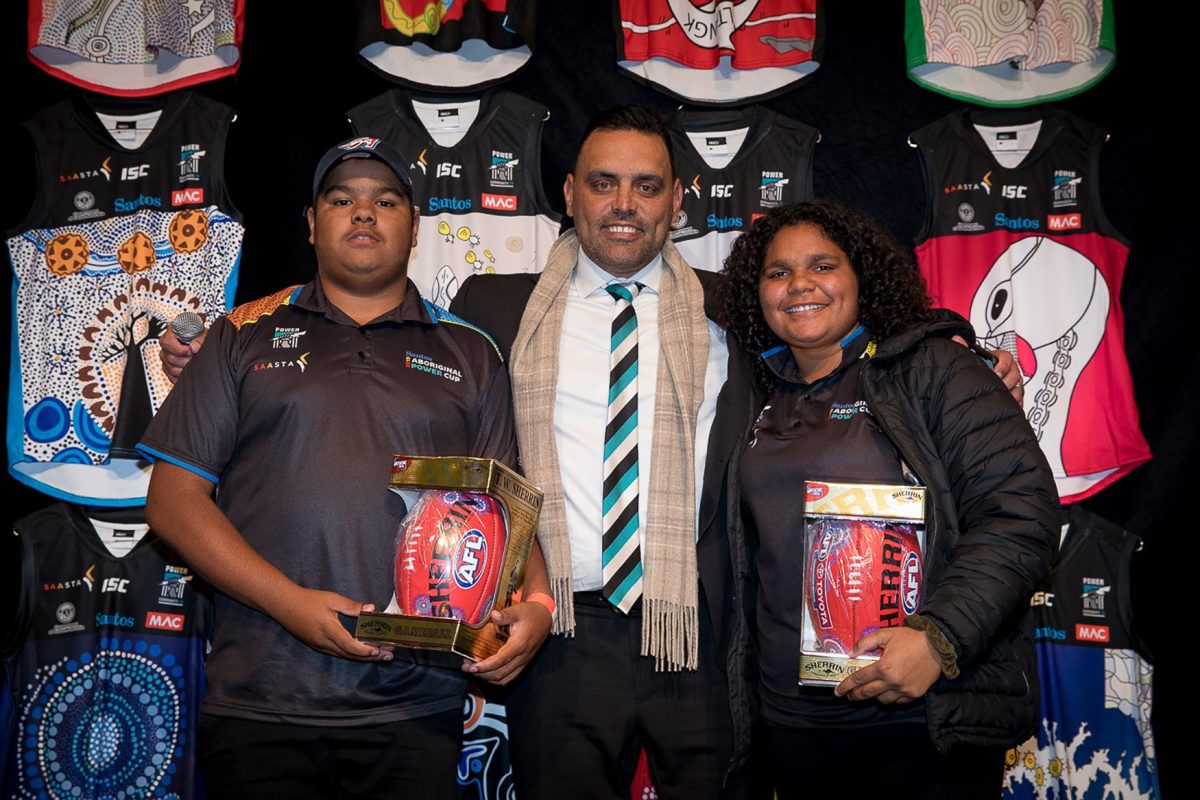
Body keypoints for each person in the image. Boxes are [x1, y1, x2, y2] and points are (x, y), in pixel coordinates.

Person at [158, 110, 1024, 799]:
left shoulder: (737, 306)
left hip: (699, 629)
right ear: (569, 194)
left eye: (646, 186)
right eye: (603, 182)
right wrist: (218, 340)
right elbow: (365, 322)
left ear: (676, 201)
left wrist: (957, 349)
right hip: (562, 634)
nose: (623, 203)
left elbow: (840, 345)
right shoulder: (493, 310)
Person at [138, 137, 552, 799]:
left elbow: (505, 513)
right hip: (261, 698)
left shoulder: (472, 352)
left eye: (385, 202)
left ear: (414, 227)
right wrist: (293, 606)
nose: (364, 213)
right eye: (341, 201)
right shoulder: (240, 333)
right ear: (310, 223)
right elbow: (172, 502)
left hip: (415, 703)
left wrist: (538, 603)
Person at [718, 200, 1059, 799]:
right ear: (757, 292)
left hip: (918, 716)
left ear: (862, 278)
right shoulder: (754, 391)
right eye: (778, 272)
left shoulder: (934, 368)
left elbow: (1020, 511)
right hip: (791, 724)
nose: (800, 284)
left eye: (823, 265)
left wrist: (937, 638)